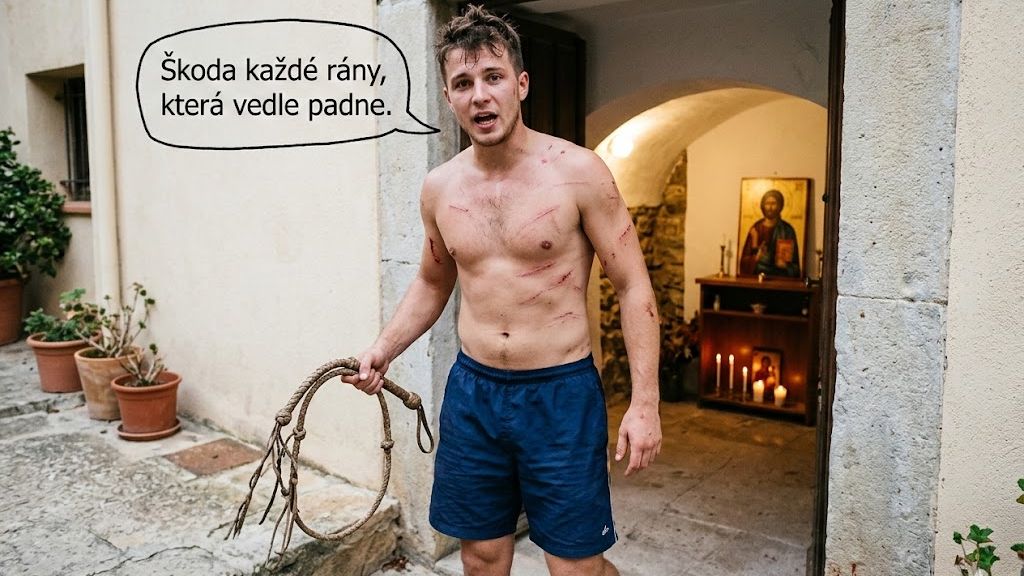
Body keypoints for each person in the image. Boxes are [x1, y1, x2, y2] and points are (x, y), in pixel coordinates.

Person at [341, 6, 661, 576]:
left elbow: (633, 285)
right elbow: (433, 280)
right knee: (482, 557)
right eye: (463, 83)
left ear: (521, 83)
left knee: (575, 566)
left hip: (560, 394)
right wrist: (383, 349)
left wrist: (645, 404)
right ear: (448, 97)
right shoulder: (440, 188)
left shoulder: (580, 172)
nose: (480, 96)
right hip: (475, 394)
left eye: (493, 77)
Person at [738, 189, 800, 277]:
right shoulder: (756, 229)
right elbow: (744, 263)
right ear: (763, 205)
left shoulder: (787, 230)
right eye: (767, 203)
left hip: (780, 279)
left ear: (780, 206)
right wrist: (756, 258)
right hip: (757, 278)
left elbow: (796, 268)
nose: (770, 207)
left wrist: (786, 266)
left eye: (773, 203)